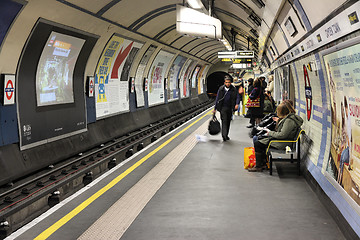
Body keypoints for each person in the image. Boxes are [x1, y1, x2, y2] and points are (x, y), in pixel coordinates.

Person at [248, 101, 303, 172]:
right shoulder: (289, 119)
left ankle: (259, 166)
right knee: (259, 140)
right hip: (283, 140)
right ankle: (263, 163)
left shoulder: (289, 121)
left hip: (284, 143)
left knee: (258, 144)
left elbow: (282, 135)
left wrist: (270, 133)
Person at [213, 75, 240, 141]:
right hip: (223, 108)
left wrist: (237, 104)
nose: (227, 84)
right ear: (224, 83)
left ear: (230, 83)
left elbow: (237, 97)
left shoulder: (233, 89)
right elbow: (217, 99)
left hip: (230, 108)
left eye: (229, 82)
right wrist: (215, 109)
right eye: (226, 82)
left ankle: (226, 134)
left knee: (228, 121)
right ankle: (224, 135)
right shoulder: (221, 89)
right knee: (224, 121)